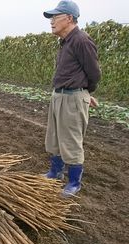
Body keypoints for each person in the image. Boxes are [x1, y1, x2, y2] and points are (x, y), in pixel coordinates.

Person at [43, 0, 101, 197]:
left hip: (72, 98)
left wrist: (84, 93)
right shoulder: (66, 41)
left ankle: (74, 183)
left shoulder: (81, 40)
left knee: (71, 141)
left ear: (69, 18)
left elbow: (94, 74)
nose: (51, 21)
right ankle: (55, 172)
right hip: (59, 96)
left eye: (55, 17)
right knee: (56, 137)